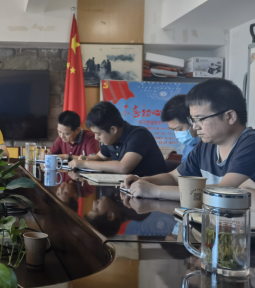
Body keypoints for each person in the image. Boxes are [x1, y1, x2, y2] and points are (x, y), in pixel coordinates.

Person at [123, 79, 255, 200]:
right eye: (193, 120)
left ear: (230, 116)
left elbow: (224, 191)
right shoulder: (206, 145)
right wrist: (143, 181)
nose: (195, 126)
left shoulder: (251, 143)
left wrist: (155, 191)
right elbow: (174, 177)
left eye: (200, 119)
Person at [69, 101, 166, 177]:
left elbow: (123, 167)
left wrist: (85, 164)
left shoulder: (139, 135)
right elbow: (100, 157)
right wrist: (87, 159)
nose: (96, 138)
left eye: (98, 134)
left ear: (113, 129)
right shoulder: (111, 139)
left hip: (152, 190)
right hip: (129, 188)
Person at [161, 94, 199, 162]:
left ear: (194, 121)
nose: (177, 135)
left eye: (179, 129)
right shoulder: (189, 145)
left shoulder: (211, 147)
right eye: (174, 130)